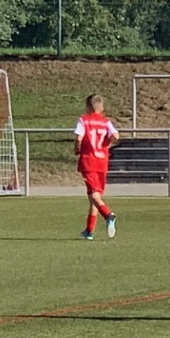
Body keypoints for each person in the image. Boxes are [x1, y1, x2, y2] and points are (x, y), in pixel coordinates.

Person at [73, 94, 120, 240]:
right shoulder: (106, 122)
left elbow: (79, 138)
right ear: (101, 107)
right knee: (95, 196)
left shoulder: (84, 120)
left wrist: (77, 149)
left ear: (88, 107)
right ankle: (89, 230)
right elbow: (116, 136)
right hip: (102, 162)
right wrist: (109, 142)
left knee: (94, 195)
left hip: (89, 162)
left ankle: (108, 215)